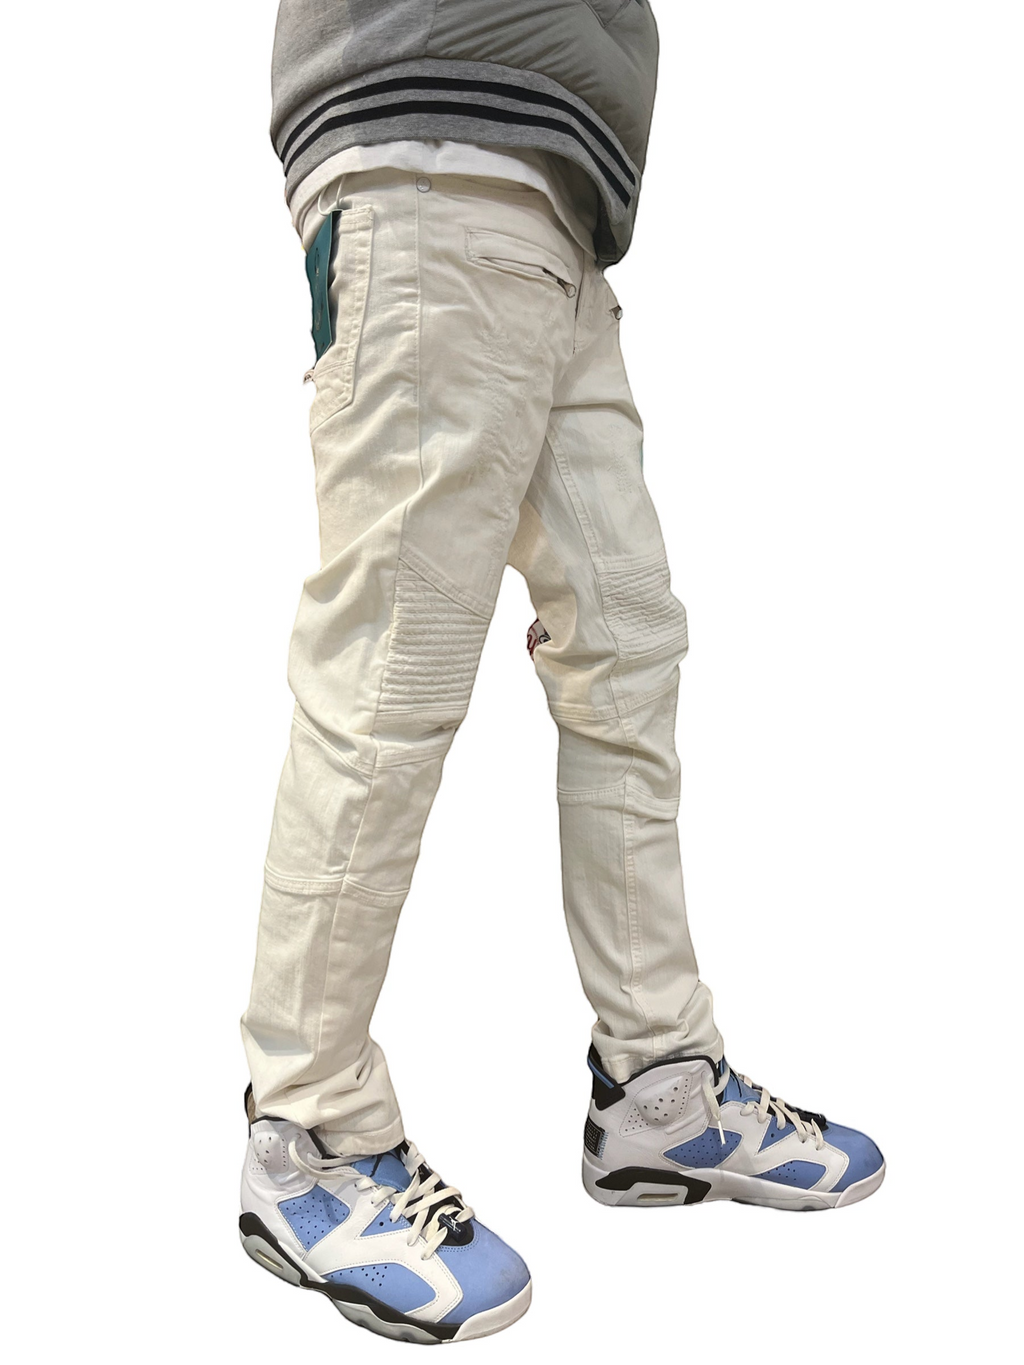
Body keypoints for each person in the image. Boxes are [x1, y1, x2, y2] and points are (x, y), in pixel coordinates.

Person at [239, 1, 884, 1344]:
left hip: (558, 221)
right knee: (394, 668)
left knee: (628, 647)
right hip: (435, 163)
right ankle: (307, 1139)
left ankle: (658, 1086)